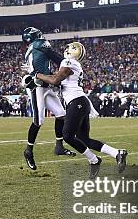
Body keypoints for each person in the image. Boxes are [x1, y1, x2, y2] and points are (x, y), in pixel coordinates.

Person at [35, 42, 127, 178]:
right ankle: (117, 153)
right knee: (84, 139)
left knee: (67, 135)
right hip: (80, 102)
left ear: (72, 51)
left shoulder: (69, 62)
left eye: (68, 48)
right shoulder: (72, 64)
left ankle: (94, 160)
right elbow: (57, 80)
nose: (65, 50)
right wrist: (44, 77)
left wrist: (37, 75)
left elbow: (54, 80)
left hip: (77, 102)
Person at [20, 27, 75, 170]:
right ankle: (28, 151)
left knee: (61, 114)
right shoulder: (39, 44)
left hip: (45, 85)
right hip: (36, 85)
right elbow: (55, 57)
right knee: (38, 121)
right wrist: (69, 63)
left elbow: (44, 62)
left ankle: (59, 147)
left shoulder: (31, 49)